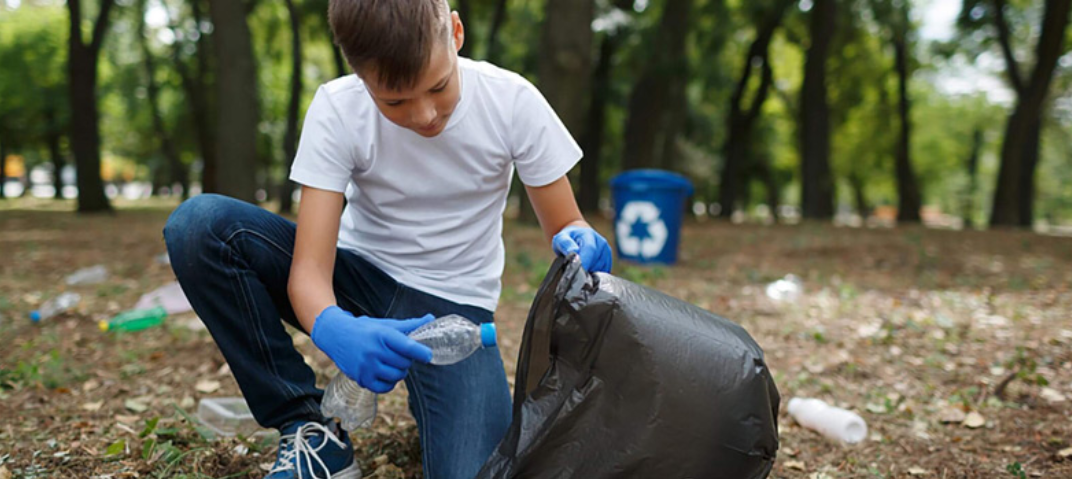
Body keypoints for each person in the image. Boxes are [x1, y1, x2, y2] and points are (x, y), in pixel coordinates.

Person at [163, 0, 612, 478]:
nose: (424, 116)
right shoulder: (338, 108)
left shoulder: (512, 101)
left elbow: (566, 225)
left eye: (438, 86)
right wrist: (335, 327)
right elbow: (310, 272)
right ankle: (308, 427)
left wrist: (581, 241)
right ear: (358, 73)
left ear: (456, 33)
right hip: (356, 280)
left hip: (454, 313)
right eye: (394, 101)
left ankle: (436, 400)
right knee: (201, 227)